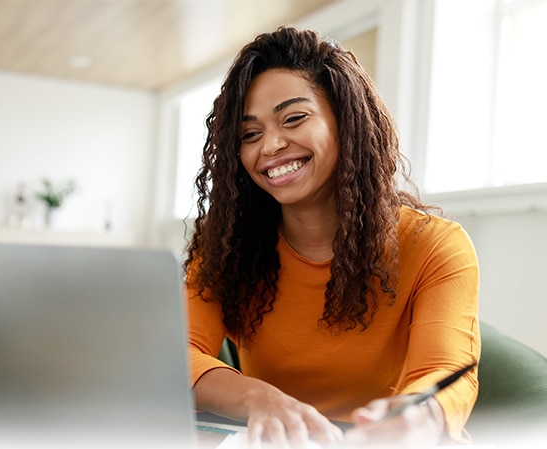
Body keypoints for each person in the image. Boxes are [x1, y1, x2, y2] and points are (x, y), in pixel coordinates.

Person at [184, 26, 480, 448]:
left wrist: (420, 416)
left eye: (293, 118)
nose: (270, 145)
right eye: (250, 134)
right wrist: (258, 397)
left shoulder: (436, 247)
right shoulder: (227, 249)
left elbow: (447, 372)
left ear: (347, 122)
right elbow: (175, 357)